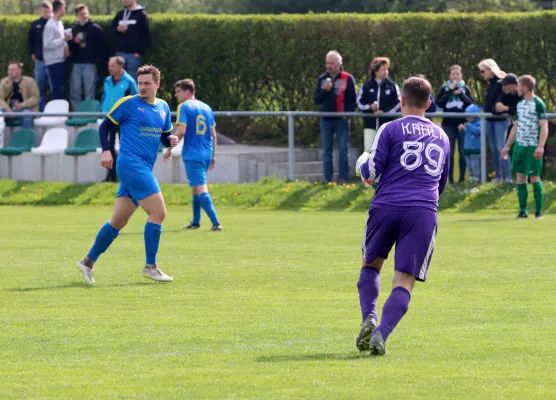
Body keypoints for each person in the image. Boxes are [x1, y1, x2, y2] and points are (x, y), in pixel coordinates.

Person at [354, 76, 450, 356]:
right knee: (405, 280)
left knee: (371, 264)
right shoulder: (442, 137)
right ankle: (382, 332)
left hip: (385, 206)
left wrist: (362, 162)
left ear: (402, 100)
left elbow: (371, 173)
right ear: (429, 103)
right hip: (422, 211)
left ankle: (369, 317)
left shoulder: (390, 128)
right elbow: (440, 185)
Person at [76, 65, 178, 284]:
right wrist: (106, 150)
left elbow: (164, 136)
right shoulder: (129, 103)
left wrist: (171, 141)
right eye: (140, 83)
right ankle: (151, 266)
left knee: (118, 221)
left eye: (147, 83)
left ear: (157, 85)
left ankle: (87, 262)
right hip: (131, 164)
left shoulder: (163, 107)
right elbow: (105, 127)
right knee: (159, 213)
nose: (142, 87)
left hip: (143, 167)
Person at [165, 79, 222, 231]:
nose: (176, 95)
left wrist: (169, 148)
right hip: (206, 153)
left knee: (201, 188)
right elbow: (213, 134)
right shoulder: (207, 107)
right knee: (195, 188)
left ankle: (216, 223)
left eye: (178, 92)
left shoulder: (184, 106)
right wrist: (214, 155)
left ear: (188, 92)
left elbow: (181, 131)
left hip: (193, 154)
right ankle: (196, 222)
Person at [501, 75, 548, 220]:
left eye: (519, 86)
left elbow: (544, 126)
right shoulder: (520, 104)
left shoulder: (538, 103)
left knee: (534, 177)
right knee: (520, 176)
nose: (517, 88)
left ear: (525, 88)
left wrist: (540, 146)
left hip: (532, 146)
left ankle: (539, 212)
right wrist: (507, 146)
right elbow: (516, 126)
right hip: (520, 146)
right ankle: (523, 211)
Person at [314, 50, 357, 184]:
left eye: (332, 63)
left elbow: (352, 100)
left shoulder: (347, 78)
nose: (329, 66)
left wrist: (347, 115)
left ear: (339, 64)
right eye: (327, 63)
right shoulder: (322, 79)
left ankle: (343, 177)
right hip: (326, 119)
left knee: (343, 149)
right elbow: (316, 100)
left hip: (341, 120)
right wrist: (324, 90)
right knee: (327, 150)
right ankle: (327, 178)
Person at [101, 56, 138, 182]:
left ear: (120, 66)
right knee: (109, 148)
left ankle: (125, 177)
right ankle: (110, 176)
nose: (109, 68)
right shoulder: (106, 81)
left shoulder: (129, 82)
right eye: (109, 65)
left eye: (112, 66)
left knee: (125, 149)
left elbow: (136, 101)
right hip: (110, 119)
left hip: (124, 121)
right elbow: (104, 98)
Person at [436, 65, 475, 183]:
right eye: (453, 74)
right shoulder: (444, 88)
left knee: (463, 154)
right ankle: (451, 180)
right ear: (449, 76)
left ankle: (462, 179)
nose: (455, 76)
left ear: (461, 75)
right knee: (450, 154)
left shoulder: (466, 88)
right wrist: (449, 91)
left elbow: (471, 105)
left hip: (463, 125)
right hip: (448, 125)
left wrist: (460, 94)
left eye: (458, 74)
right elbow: (440, 103)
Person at [357, 57, 400, 152]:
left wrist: (384, 112)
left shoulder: (392, 86)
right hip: (370, 125)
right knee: (368, 151)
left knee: (387, 152)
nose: (386, 72)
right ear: (375, 71)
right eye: (383, 69)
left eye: (387, 69)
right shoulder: (366, 86)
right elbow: (359, 102)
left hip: (387, 126)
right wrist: (369, 107)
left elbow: (398, 104)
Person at [478, 59, 511, 183]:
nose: (481, 74)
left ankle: (508, 177)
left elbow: (502, 102)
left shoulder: (500, 83)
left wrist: (496, 110)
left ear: (491, 70)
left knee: (501, 147)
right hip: (490, 120)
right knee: (493, 148)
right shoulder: (490, 84)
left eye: (483, 71)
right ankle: (498, 176)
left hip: (500, 120)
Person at [68, 3, 106, 110]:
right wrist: (73, 42)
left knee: (90, 91)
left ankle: (89, 115)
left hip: (90, 64)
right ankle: (77, 115)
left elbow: (103, 46)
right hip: (76, 64)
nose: (84, 16)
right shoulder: (73, 29)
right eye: (81, 14)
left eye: (85, 13)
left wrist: (99, 60)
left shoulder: (96, 29)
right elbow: (69, 48)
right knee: (75, 92)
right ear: (77, 15)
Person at [111, 0, 151, 80]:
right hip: (119, 54)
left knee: (133, 81)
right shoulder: (120, 14)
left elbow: (146, 35)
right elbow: (112, 31)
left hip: (134, 56)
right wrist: (117, 29)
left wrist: (140, 52)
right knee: (119, 81)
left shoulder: (142, 15)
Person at [43, 0, 72, 100]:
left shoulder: (59, 23)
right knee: (57, 90)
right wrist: (63, 39)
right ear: (59, 9)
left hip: (61, 60)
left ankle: (61, 113)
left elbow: (60, 40)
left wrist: (65, 45)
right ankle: (56, 114)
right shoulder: (50, 25)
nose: (65, 10)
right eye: (64, 7)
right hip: (53, 62)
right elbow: (47, 44)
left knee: (61, 89)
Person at [28, 1, 53, 111]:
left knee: (53, 88)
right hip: (40, 61)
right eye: (45, 11)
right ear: (41, 11)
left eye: (49, 11)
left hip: (53, 61)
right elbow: (30, 41)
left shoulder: (55, 24)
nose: (47, 14)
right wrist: (32, 53)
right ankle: (40, 111)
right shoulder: (35, 24)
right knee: (39, 88)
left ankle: (53, 111)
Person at [0, 61, 39, 128]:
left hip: (24, 109)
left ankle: (26, 137)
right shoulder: (4, 82)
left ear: (20, 70)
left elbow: (35, 97)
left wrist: (23, 105)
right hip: (7, 109)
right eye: (8, 69)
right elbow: (0, 98)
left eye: (12, 69)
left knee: (27, 115)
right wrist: (7, 109)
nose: (10, 71)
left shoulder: (30, 81)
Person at [495, 73, 521, 141]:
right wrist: (497, 107)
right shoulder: (504, 94)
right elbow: (496, 108)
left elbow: (523, 109)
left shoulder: (522, 94)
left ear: (514, 85)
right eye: (502, 85)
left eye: (505, 85)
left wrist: (506, 108)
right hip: (514, 125)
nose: (503, 87)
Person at [463, 104, 482, 182]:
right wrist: (463, 128)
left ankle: (476, 177)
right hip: (467, 148)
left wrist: (468, 126)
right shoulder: (468, 124)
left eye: (469, 116)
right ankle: (471, 177)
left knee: (475, 165)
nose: (467, 118)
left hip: (475, 149)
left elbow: (476, 131)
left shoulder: (479, 123)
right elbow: (467, 133)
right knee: (469, 165)